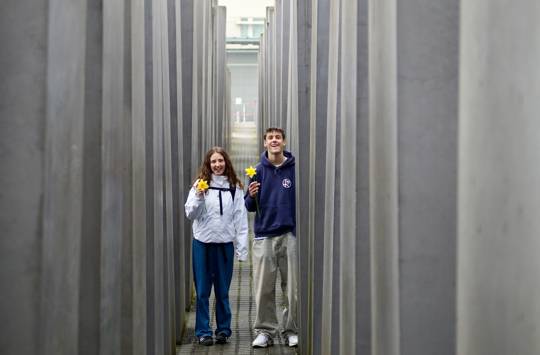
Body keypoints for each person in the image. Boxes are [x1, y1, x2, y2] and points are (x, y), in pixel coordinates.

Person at [185, 147, 248, 346]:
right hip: (202, 244)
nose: (217, 165)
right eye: (213, 161)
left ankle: (223, 330)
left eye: (220, 161)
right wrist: (199, 196)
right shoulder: (199, 185)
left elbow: (241, 218)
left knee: (222, 290)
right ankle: (203, 331)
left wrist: (242, 248)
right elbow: (190, 214)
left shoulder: (234, 187)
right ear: (208, 164)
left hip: (224, 246)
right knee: (202, 290)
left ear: (226, 162)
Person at [244, 127, 298, 348]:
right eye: (270, 138)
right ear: (264, 143)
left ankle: (291, 330)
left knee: (292, 287)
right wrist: (252, 194)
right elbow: (248, 206)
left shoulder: (295, 170)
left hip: (290, 234)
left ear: (284, 142)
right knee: (263, 287)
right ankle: (265, 331)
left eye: (278, 138)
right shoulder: (256, 171)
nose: (274, 141)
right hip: (264, 235)